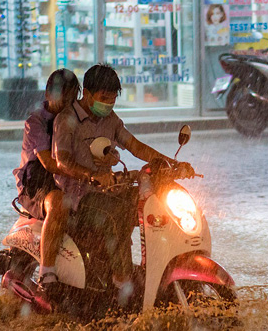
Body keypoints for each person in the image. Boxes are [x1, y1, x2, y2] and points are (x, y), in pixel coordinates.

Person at [52, 64, 187, 301]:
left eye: (113, 99)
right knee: (115, 216)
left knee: (153, 203)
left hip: (109, 190)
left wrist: (170, 165)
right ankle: (122, 287)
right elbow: (62, 162)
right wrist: (91, 175)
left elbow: (135, 146)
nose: (108, 104)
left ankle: (156, 270)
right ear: (88, 93)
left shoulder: (111, 120)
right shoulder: (66, 120)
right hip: (79, 198)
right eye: (104, 98)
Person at [12, 69, 94, 290]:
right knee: (58, 203)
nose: (66, 103)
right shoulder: (36, 122)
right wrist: (87, 173)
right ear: (48, 93)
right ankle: (46, 274)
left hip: (69, 179)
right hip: (38, 183)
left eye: (71, 98)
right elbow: (49, 164)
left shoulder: (77, 120)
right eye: (62, 96)